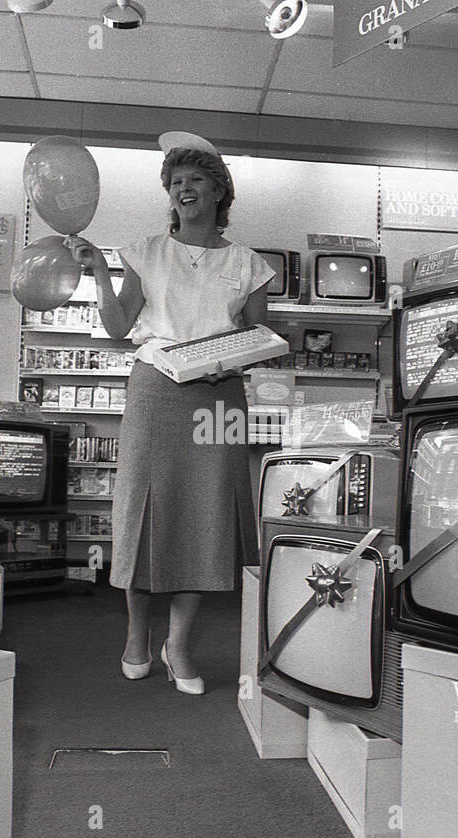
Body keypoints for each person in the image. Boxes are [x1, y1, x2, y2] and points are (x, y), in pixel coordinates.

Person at [67, 132, 275, 696]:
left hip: (220, 397)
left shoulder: (248, 263)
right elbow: (117, 327)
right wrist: (101, 274)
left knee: (206, 517)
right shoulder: (146, 251)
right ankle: (137, 635)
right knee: (144, 509)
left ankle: (178, 645)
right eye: (176, 182)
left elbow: (260, 334)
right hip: (156, 389)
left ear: (218, 192)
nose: (184, 189)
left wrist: (229, 360)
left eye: (196, 180)